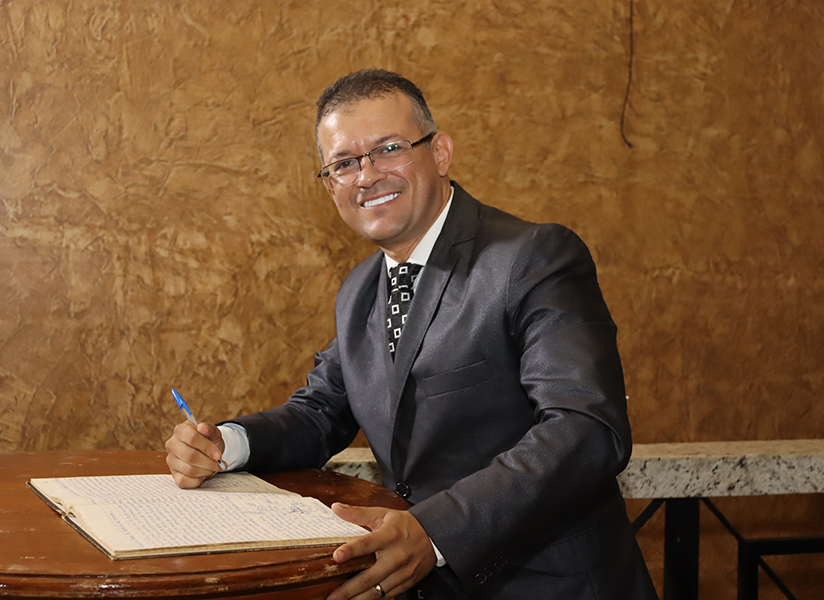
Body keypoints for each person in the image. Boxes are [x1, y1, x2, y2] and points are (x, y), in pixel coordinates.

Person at [165, 69, 658, 600]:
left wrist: (436, 530)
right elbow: (320, 412)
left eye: (388, 149)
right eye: (344, 163)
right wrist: (227, 443)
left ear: (440, 152)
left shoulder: (532, 257)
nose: (366, 176)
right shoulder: (359, 291)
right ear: (330, 185)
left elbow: (585, 428)